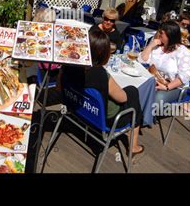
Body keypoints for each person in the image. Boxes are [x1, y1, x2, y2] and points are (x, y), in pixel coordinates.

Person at [59, 29, 145, 157]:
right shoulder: (101, 74)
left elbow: (58, 86)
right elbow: (122, 98)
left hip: (75, 107)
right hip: (103, 119)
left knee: (128, 92)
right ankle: (133, 147)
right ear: (102, 53)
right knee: (132, 92)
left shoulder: (68, 64)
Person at [139, 21, 190, 108]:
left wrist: (166, 87)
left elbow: (184, 76)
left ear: (170, 35)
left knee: (157, 99)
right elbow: (142, 60)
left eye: (161, 33)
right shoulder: (157, 47)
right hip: (153, 81)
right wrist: (150, 45)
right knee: (135, 89)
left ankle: (144, 119)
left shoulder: (183, 52)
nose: (159, 34)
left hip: (174, 87)